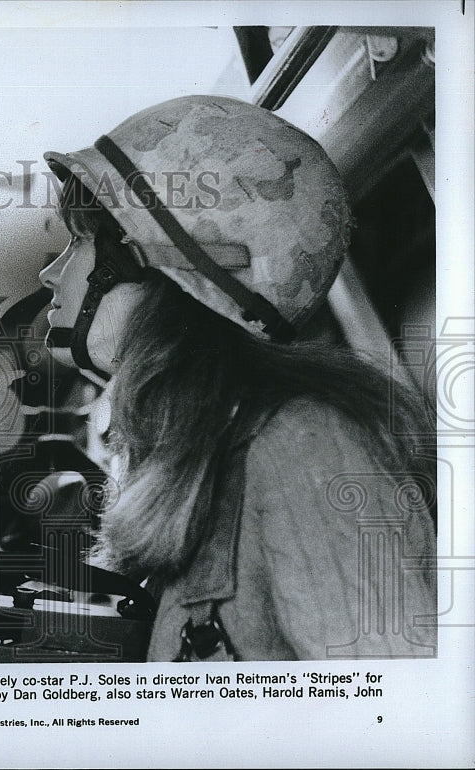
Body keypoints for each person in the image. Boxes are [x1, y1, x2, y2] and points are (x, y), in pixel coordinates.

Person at [38, 95, 437, 661]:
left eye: (79, 240)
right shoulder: (203, 469)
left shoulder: (305, 446)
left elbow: (388, 721)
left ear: (165, 268)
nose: (50, 273)